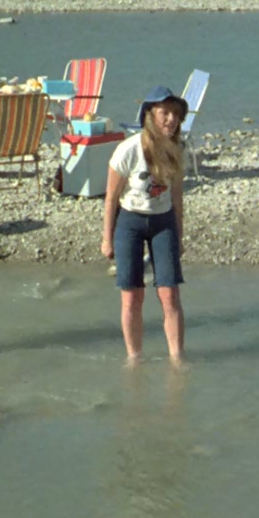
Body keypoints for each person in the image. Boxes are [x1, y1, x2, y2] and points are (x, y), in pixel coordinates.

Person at [101, 86, 188, 366]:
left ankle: (177, 360)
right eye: (165, 113)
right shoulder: (128, 149)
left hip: (163, 223)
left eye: (175, 114)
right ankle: (134, 359)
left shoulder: (176, 149)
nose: (171, 120)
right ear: (150, 115)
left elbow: (176, 196)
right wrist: (107, 238)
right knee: (132, 296)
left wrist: (180, 235)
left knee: (169, 294)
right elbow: (111, 197)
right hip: (130, 222)